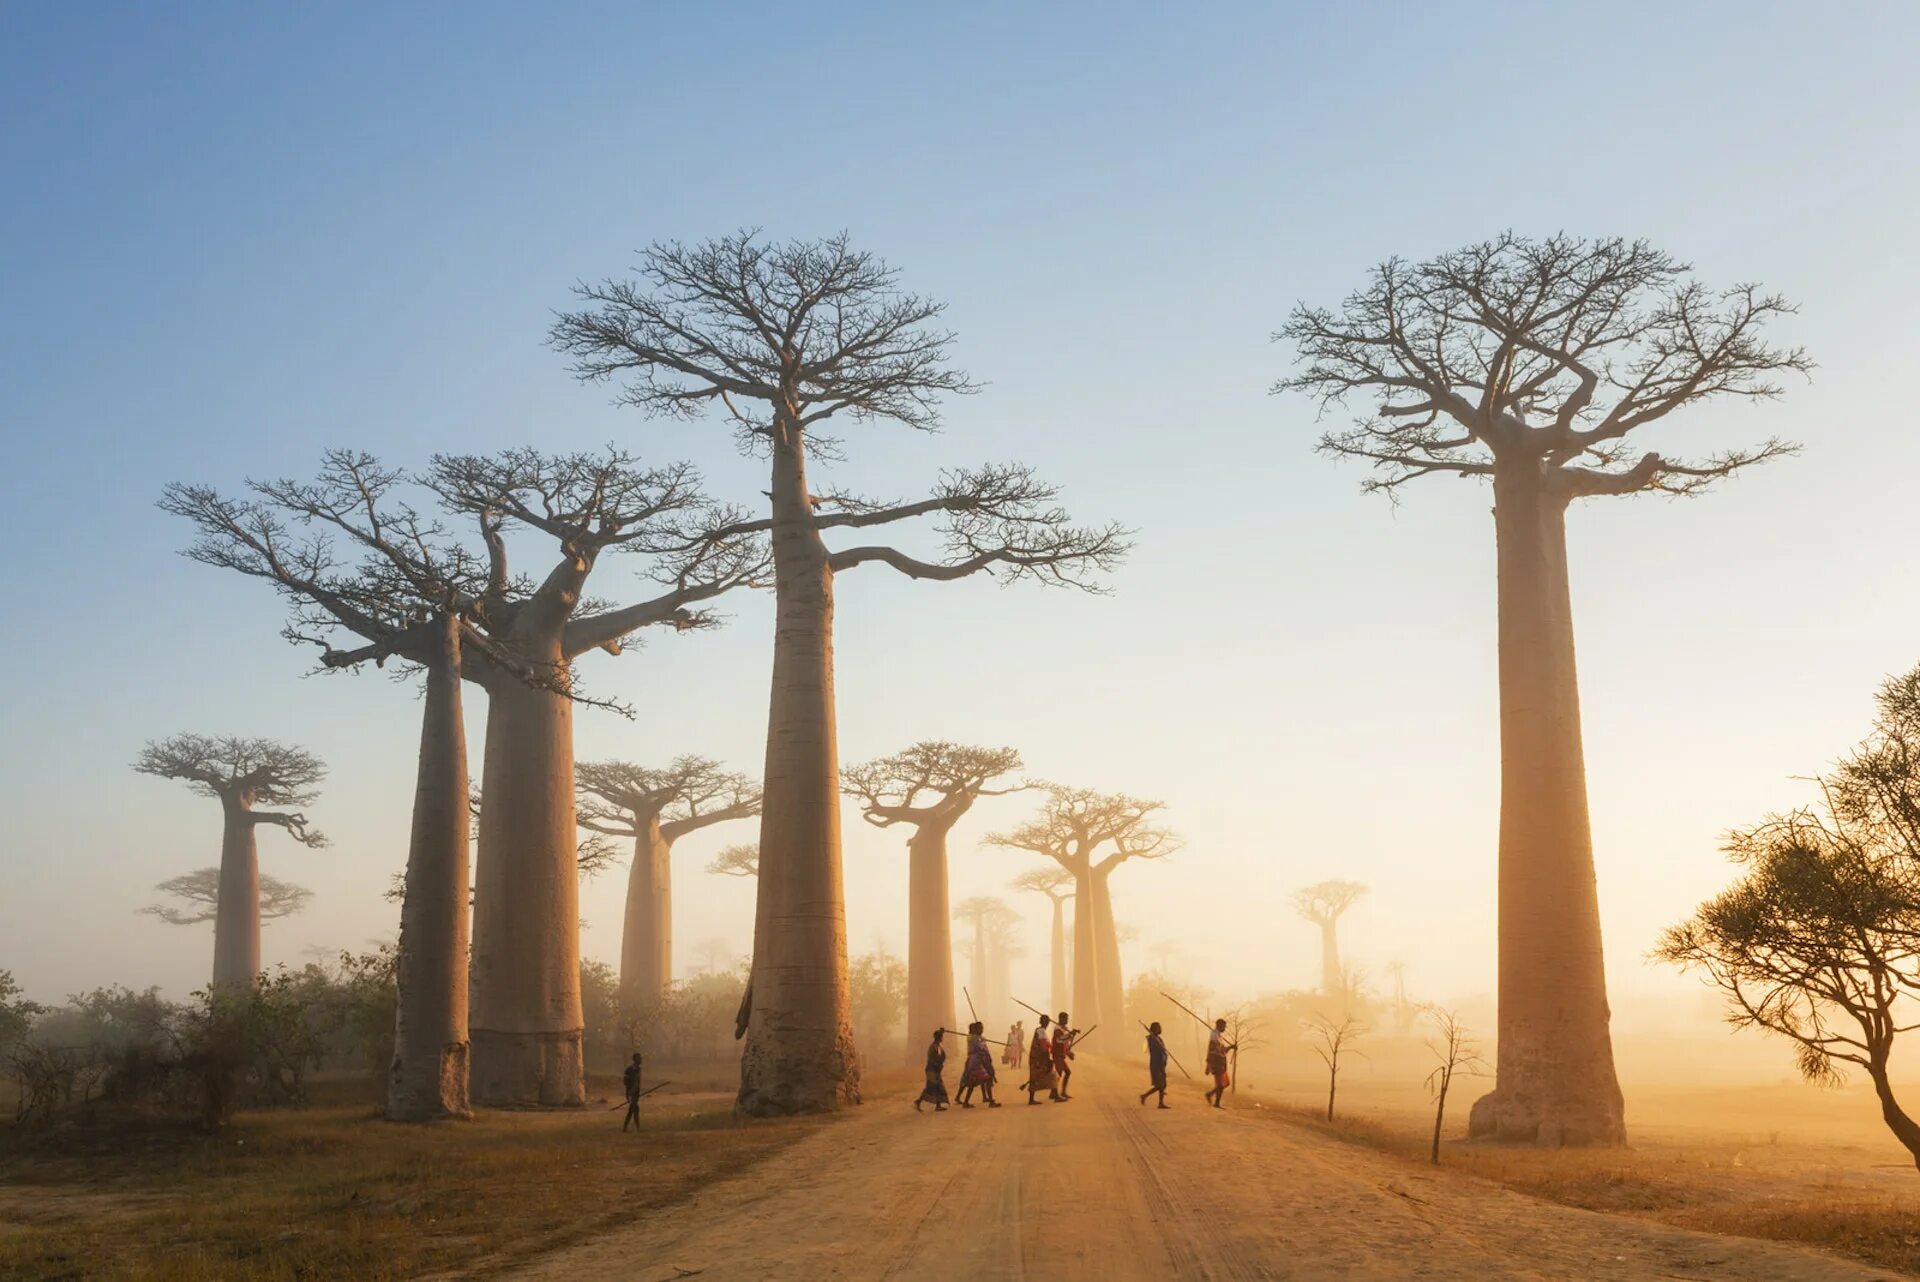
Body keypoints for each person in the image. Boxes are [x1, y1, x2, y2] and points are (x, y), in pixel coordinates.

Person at [957, 1021, 1001, 1108]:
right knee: (987, 1079)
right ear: (976, 1029)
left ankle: (966, 1102)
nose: (982, 1030)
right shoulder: (973, 1038)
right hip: (976, 1062)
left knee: (973, 1082)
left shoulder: (978, 1038)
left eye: (982, 1028)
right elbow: (981, 1050)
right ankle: (991, 1101)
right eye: (980, 1028)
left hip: (977, 1062)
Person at [1025, 1014, 1059, 1105]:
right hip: (1039, 1059)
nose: (1046, 1023)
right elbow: (1043, 1046)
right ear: (1045, 1022)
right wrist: (1047, 1059)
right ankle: (1032, 1099)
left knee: (1051, 1075)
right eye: (1046, 1021)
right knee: (1037, 1077)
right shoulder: (1041, 1031)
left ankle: (1055, 1094)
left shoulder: (1040, 1030)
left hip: (1037, 1058)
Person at [916, 1028, 950, 1112]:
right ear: (938, 1037)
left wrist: (942, 1031)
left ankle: (937, 1105)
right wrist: (937, 1065)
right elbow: (932, 1059)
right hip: (931, 1070)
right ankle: (918, 1101)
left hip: (935, 1070)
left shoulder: (937, 1046)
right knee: (932, 1087)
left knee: (937, 1087)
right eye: (941, 1036)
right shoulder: (934, 1047)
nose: (942, 1038)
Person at [1139, 1022, 1170, 1109]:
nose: (1159, 1029)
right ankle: (1144, 1095)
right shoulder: (1151, 1039)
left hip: (1161, 1063)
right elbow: (1150, 1050)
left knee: (1163, 1084)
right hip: (1156, 1064)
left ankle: (1160, 1103)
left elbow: (1163, 1050)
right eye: (1157, 1028)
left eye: (1159, 1027)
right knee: (1159, 1085)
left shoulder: (1158, 1038)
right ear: (1153, 1029)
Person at [1206, 1017, 1234, 1108]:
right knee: (1221, 1084)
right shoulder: (1214, 1036)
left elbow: (1222, 1050)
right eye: (1224, 1026)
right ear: (1219, 1025)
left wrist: (1231, 1047)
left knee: (1226, 1083)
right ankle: (1215, 1101)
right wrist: (1208, 1065)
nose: (1224, 1029)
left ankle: (1210, 1094)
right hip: (1216, 1062)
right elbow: (1211, 1050)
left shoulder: (1219, 1036)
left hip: (1221, 1062)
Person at [1052, 1011, 1075, 1101]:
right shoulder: (1058, 1029)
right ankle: (1057, 1095)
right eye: (1066, 1019)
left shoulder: (1061, 1029)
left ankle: (1056, 1093)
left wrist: (1070, 1034)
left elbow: (1065, 1042)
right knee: (1059, 1074)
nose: (1067, 1020)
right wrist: (1070, 1034)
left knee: (1062, 1073)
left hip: (1060, 1054)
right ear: (1061, 1019)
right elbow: (1059, 1040)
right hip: (1057, 1054)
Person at [621, 1051, 644, 1132]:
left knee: (631, 1110)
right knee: (635, 1109)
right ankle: (638, 1128)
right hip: (630, 1093)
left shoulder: (639, 1070)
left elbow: (637, 1082)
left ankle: (625, 1128)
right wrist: (630, 1090)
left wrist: (635, 1089)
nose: (641, 1060)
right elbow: (624, 1081)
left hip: (636, 1093)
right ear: (635, 1059)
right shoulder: (628, 1069)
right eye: (639, 1058)